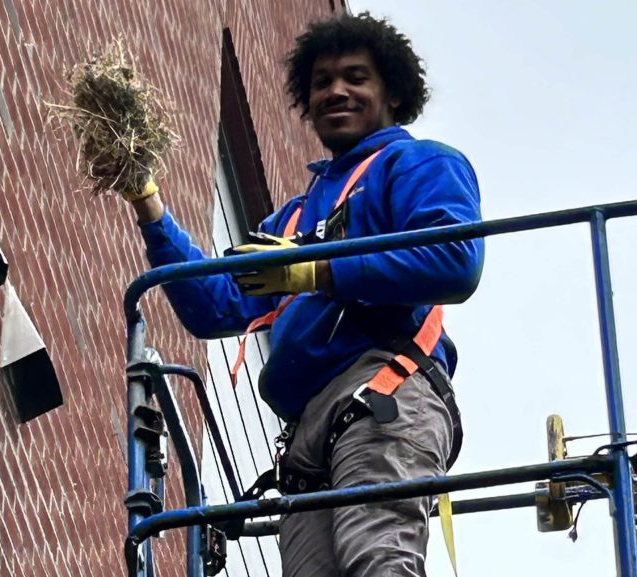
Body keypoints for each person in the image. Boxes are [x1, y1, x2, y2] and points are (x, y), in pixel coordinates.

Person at [129, 12, 484, 577]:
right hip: (307, 433)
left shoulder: (414, 163)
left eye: (355, 77)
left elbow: (454, 262)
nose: (336, 91)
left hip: (382, 391)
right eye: (322, 82)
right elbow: (217, 303)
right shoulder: (297, 214)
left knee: (378, 559)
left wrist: (316, 273)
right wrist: (148, 201)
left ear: (391, 91)